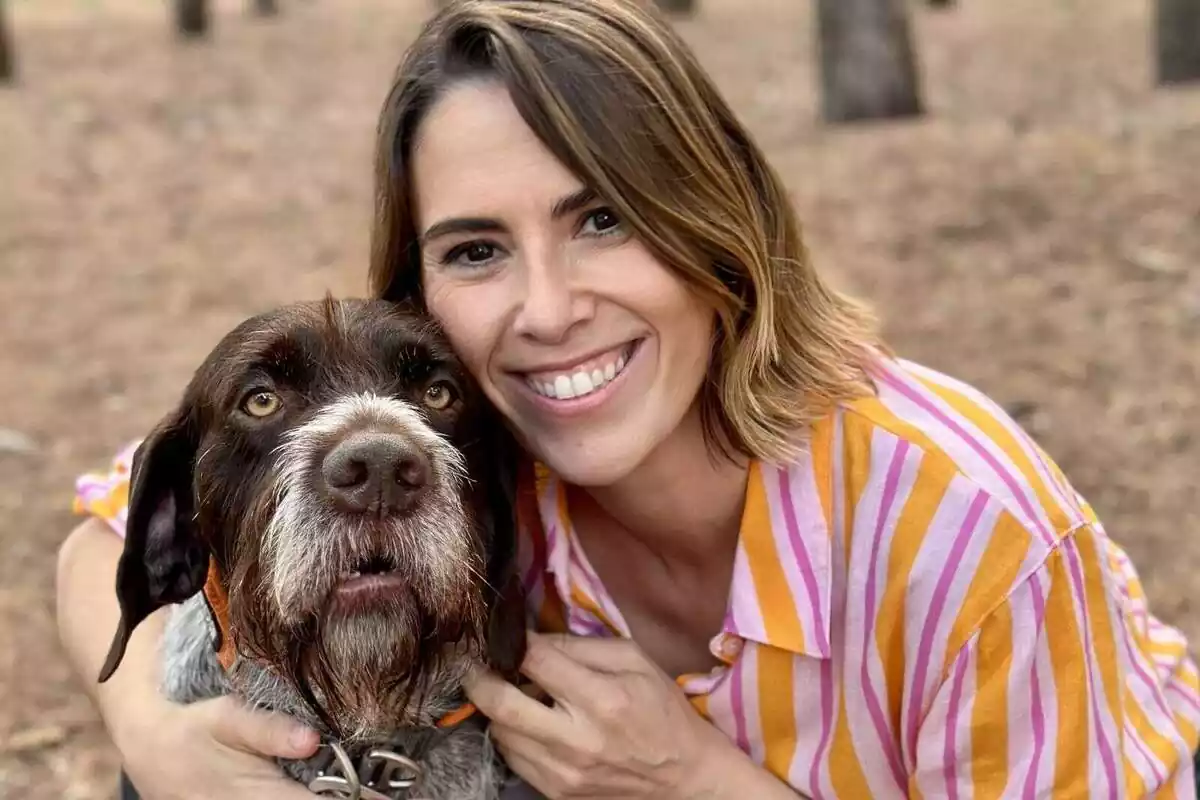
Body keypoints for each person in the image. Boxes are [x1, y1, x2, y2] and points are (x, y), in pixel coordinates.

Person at [56, 1, 1200, 798]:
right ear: (422, 296)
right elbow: (121, 509)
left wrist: (696, 783)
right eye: (476, 249)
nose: (549, 310)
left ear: (718, 222)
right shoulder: (480, 440)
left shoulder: (970, 534)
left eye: (604, 218)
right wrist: (153, 733)